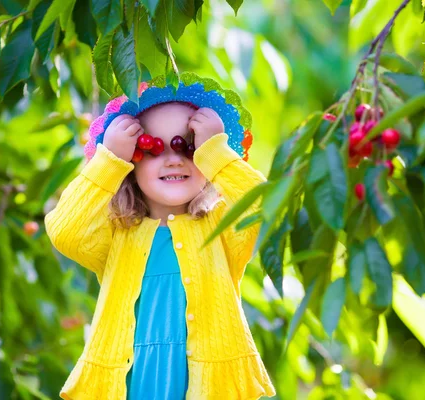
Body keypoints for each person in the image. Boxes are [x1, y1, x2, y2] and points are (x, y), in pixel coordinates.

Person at [44, 72, 276, 400]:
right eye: (153, 148)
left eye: (189, 146)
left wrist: (218, 154)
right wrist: (108, 161)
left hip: (206, 386)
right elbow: (64, 231)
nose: (172, 158)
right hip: (131, 383)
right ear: (131, 163)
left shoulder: (222, 227)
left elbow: (270, 213)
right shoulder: (117, 234)